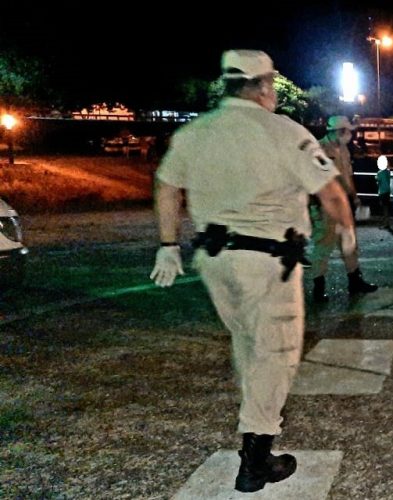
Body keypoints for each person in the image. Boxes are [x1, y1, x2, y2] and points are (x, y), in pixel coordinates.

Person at [149, 50, 355, 493]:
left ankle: (254, 439)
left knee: (247, 342)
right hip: (267, 262)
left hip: (215, 260)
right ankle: (256, 461)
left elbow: (167, 186)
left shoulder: (194, 133)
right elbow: (331, 193)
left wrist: (168, 245)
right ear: (263, 86)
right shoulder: (285, 132)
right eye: (272, 85)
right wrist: (348, 230)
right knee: (275, 355)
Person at [309, 116, 378, 302]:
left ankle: (355, 281)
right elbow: (313, 181)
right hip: (325, 205)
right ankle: (318, 287)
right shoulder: (320, 149)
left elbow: (347, 176)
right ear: (337, 131)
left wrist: (354, 197)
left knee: (350, 244)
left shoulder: (344, 149)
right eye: (345, 131)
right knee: (323, 245)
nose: (348, 134)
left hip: (343, 204)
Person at [376, 158, 392, 229]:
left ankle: (385, 223)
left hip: (382, 192)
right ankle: (386, 222)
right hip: (387, 191)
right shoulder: (388, 172)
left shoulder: (379, 173)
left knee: (383, 207)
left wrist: (376, 179)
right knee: (386, 207)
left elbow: (378, 182)